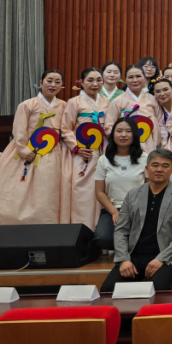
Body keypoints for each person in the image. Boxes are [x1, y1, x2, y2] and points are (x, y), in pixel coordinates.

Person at [0, 70, 68, 262]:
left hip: (55, 155)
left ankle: (50, 243)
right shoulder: (27, 105)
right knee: (13, 199)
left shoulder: (64, 105)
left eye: (57, 82)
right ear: (41, 83)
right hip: (28, 153)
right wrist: (23, 149)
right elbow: (19, 131)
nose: (53, 85)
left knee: (49, 196)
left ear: (62, 86)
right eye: (49, 81)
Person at [101, 149, 172, 292]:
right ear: (146, 168)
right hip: (134, 255)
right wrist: (124, 259)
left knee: (158, 289)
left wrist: (161, 259)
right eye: (155, 165)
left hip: (166, 256)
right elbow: (121, 230)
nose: (159, 169)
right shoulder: (133, 195)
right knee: (107, 290)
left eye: (165, 166)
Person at [61, 68, 108, 229]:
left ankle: (100, 231)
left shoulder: (105, 101)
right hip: (83, 153)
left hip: (103, 152)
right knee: (82, 191)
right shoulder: (74, 102)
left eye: (99, 80)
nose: (95, 84)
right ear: (81, 82)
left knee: (102, 191)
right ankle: (82, 230)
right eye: (90, 80)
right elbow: (65, 128)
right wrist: (76, 148)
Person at [95, 117, 147, 250]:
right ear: (113, 134)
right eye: (119, 131)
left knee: (144, 237)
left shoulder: (145, 158)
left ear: (134, 135)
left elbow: (150, 188)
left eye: (128, 131)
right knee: (103, 238)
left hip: (139, 209)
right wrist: (114, 212)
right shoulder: (103, 160)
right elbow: (99, 192)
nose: (123, 135)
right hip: (113, 208)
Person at [107, 65, 162, 155]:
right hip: (126, 147)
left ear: (144, 78)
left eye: (138, 76)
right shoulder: (118, 101)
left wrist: (161, 143)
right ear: (125, 80)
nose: (135, 80)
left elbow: (161, 123)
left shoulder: (152, 99)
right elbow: (109, 126)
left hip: (151, 145)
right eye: (130, 77)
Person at [151, 79, 172, 150]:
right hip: (164, 144)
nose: (162, 94)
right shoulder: (156, 107)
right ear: (154, 93)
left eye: (165, 90)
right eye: (158, 91)